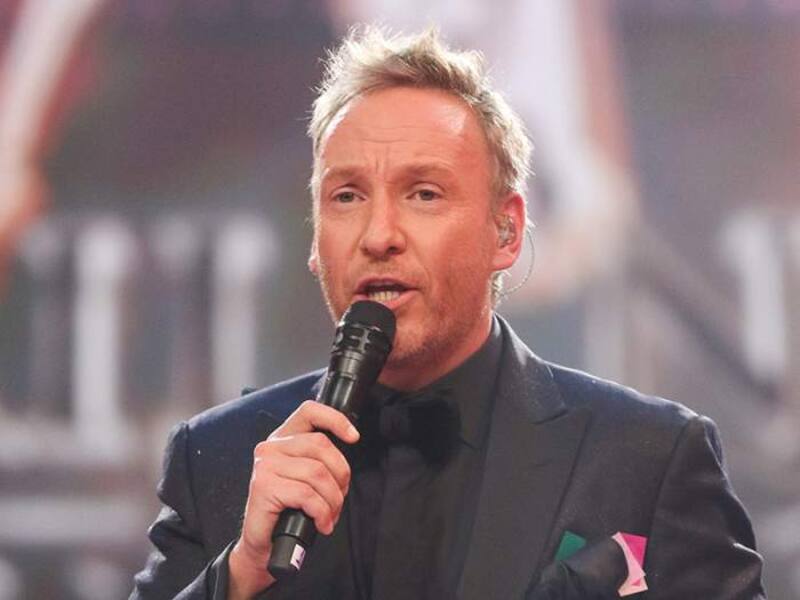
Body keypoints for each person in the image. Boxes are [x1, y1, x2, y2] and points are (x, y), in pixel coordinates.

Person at [131, 27, 766, 599]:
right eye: (347, 196)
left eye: (424, 194)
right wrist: (240, 574)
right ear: (316, 240)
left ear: (506, 232)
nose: (379, 234)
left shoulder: (646, 457)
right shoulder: (218, 457)